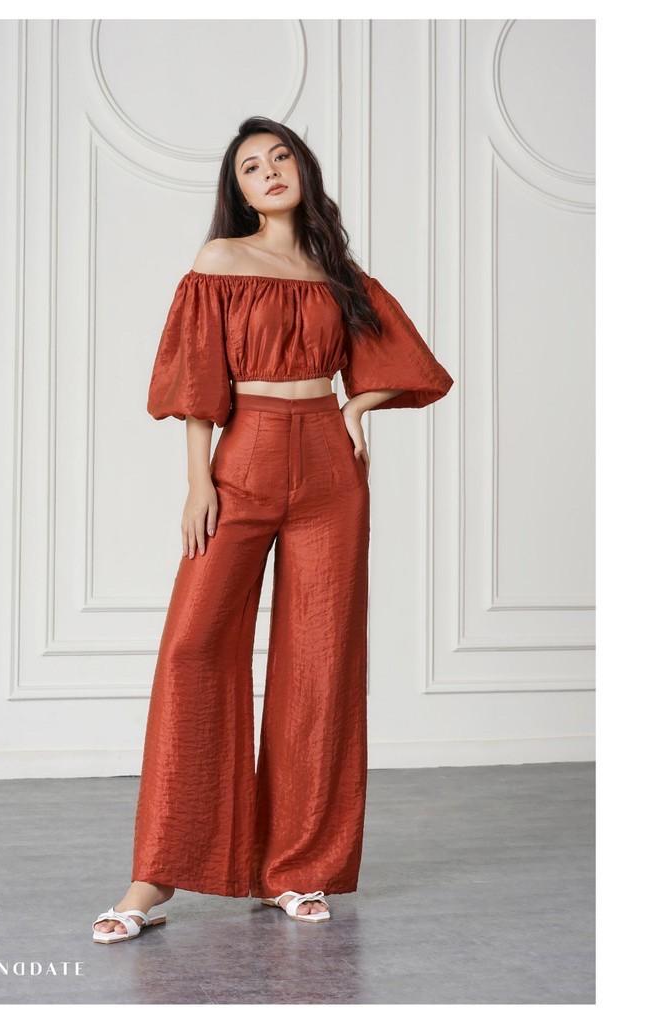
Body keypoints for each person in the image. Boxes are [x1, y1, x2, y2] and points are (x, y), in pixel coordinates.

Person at [93, 116, 454, 943]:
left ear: (303, 169)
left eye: (280, 157)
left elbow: (407, 359)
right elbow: (197, 378)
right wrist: (199, 481)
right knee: (193, 646)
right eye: (251, 167)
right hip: (244, 456)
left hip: (330, 467)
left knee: (321, 660)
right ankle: (156, 874)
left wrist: (356, 408)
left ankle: (297, 871)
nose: (269, 171)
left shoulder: (335, 272)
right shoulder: (220, 261)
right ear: (240, 191)